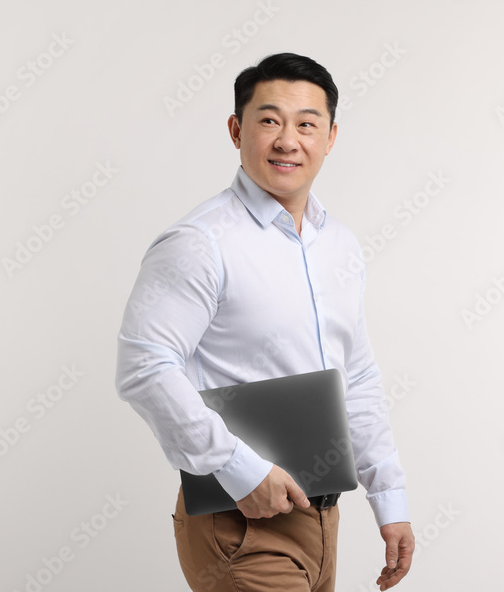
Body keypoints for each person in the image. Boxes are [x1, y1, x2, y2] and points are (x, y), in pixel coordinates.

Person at [116, 52, 414, 591]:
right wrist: (238, 470)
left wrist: (388, 497)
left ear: (330, 136)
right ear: (237, 129)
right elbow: (144, 366)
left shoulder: (339, 244)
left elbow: (360, 377)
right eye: (269, 121)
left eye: (306, 124)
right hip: (240, 522)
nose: (288, 140)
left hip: (324, 515)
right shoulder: (200, 243)